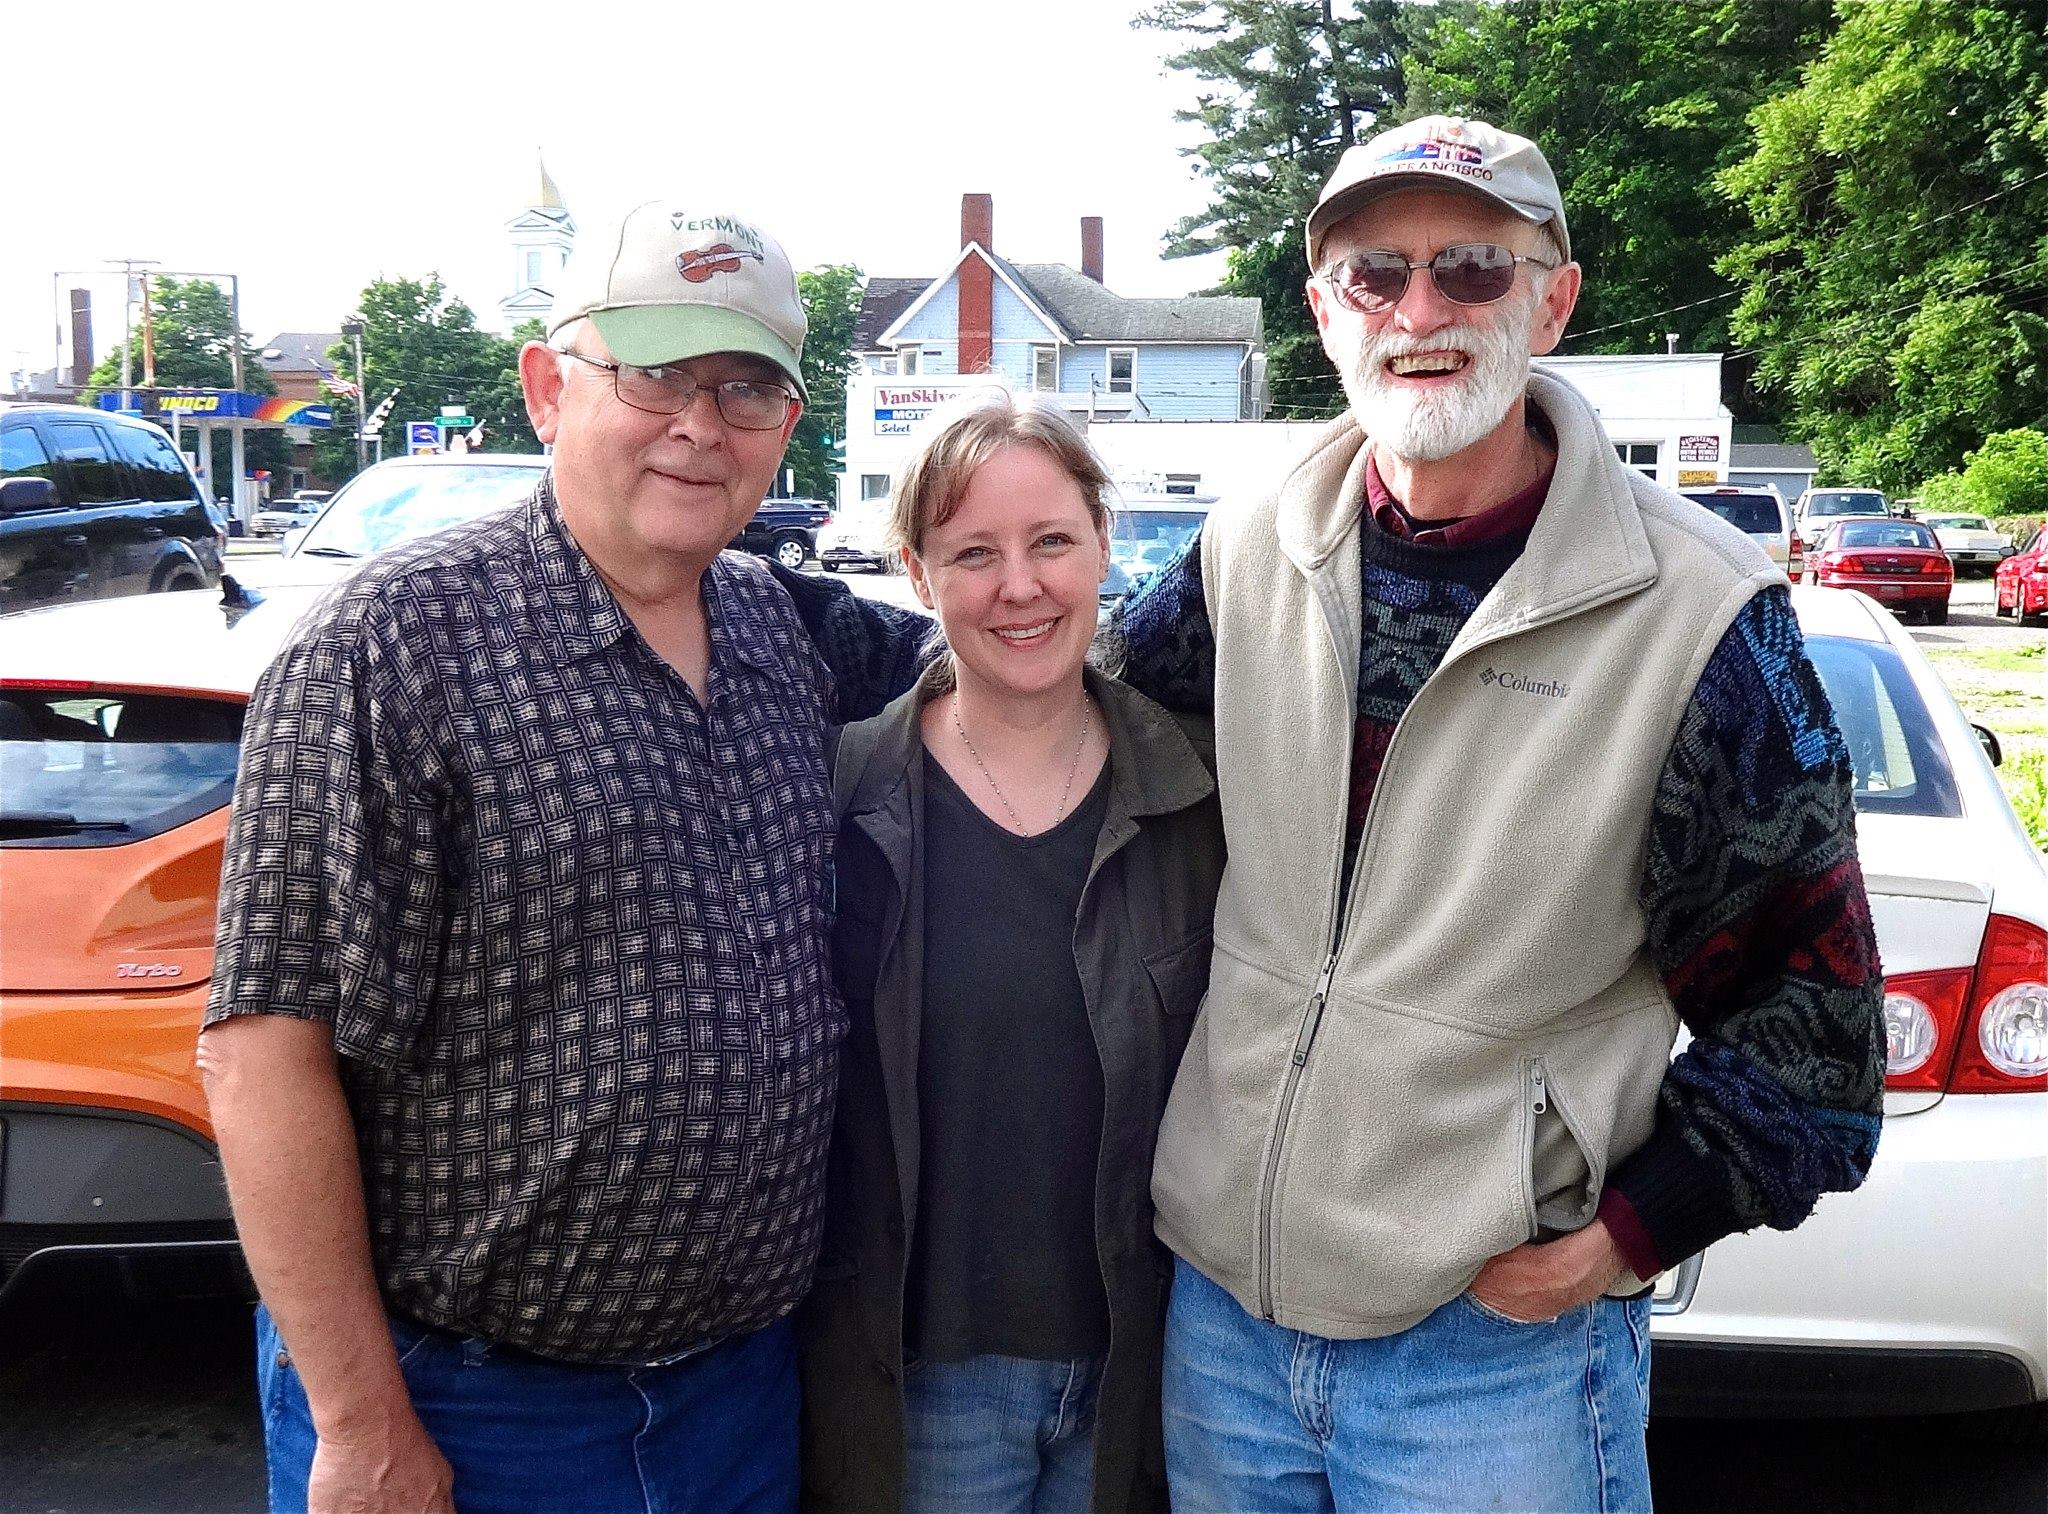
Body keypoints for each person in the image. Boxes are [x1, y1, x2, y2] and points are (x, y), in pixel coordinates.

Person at [771, 115, 1886, 1514]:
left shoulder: (1699, 617)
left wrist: (1609, 1241)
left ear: (1555, 294)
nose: (1421, 311)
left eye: (1472, 268)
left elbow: (1818, 1038)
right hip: (1224, 1337)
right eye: (1376, 274)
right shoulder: (1255, 545)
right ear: (1323, 310)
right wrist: (743, 613)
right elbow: (1066, 696)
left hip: (1492, 1357)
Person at [201, 203, 842, 1514]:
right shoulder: (396, 650)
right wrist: (362, 1424)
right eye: (657, 372)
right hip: (469, 1412)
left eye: (747, 389)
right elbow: (262, 1052)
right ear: (551, 387)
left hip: (740, 1403)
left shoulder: (781, 635)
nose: (699, 425)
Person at [796, 393, 1224, 1514]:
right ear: (917, 571)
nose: (1020, 585)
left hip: (1151, 1368)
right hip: (930, 1381)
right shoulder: (841, 797)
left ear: (1101, 543)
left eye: (1050, 541)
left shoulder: (1198, 794)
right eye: (972, 552)